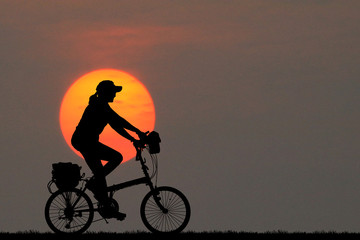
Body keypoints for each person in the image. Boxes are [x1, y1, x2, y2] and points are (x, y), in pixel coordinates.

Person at [71, 80, 146, 220]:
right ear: (106, 93)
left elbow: (117, 124)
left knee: (105, 169)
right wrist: (136, 134)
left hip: (88, 142)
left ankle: (103, 200)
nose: (115, 95)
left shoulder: (102, 106)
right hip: (84, 142)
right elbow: (118, 121)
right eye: (113, 92)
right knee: (109, 164)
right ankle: (101, 197)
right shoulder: (100, 106)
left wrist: (135, 136)